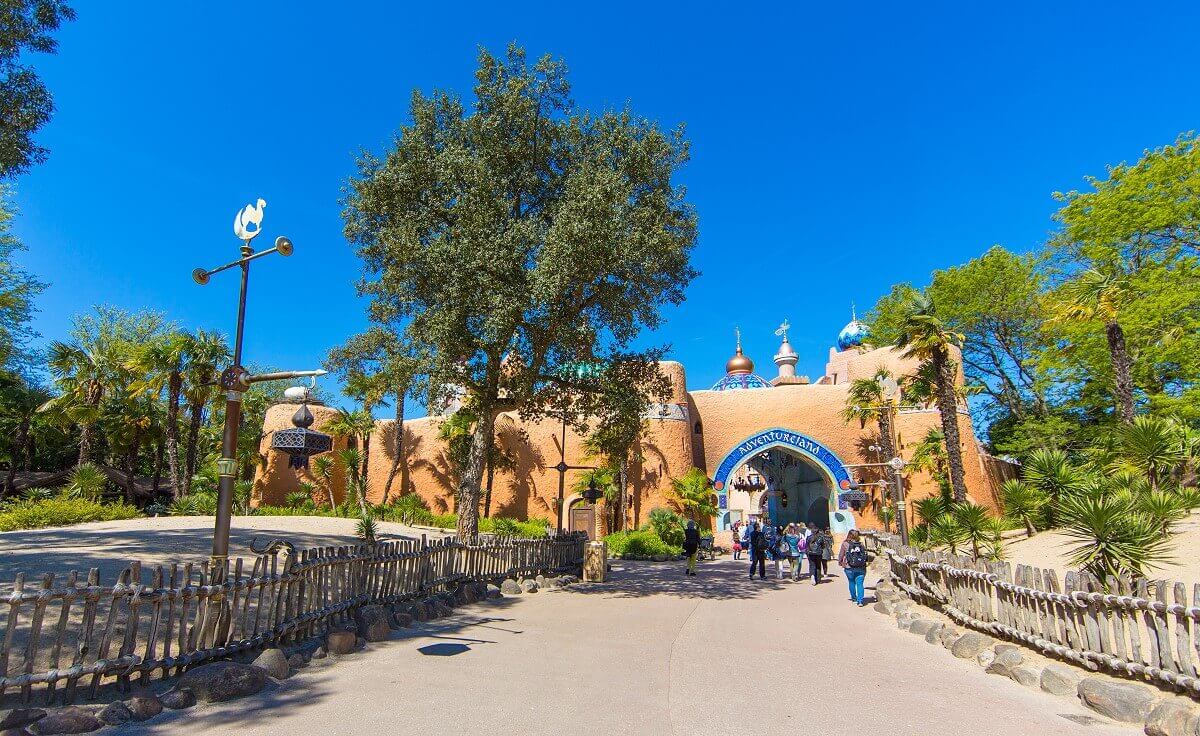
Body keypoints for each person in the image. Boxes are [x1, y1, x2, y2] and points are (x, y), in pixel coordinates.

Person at [838, 529, 869, 606]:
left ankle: (854, 597)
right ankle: (860, 601)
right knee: (860, 584)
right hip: (861, 567)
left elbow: (841, 554)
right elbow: (865, 554)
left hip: (849, 567)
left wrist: (840, 561)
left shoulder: (845, 544)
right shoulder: (861, 544)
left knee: (851, 582)